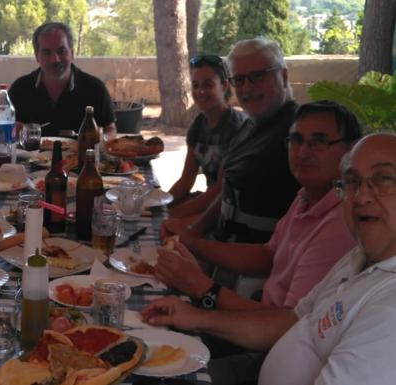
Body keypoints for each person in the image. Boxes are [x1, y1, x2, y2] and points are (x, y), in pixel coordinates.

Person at [142, 133, 396, 385]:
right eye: (352, 182)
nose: (362, 197)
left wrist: (203, 290)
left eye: (384, 179)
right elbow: (293, 319)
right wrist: (197, 316)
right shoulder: (358, 256)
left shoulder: (388, 312)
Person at [163, 37, 300, 246]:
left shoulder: (298, 133)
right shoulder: (250, 127)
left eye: (257, 76)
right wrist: (194, 229)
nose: (247, 87)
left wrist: (195, 239)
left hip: (250, 264)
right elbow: (226, 193)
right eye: (240, 79)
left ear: (284, 76)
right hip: (222, 246)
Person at [167, 55, 247, 222]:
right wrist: (160, 205)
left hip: (231, 209)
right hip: (210, 201)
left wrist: (173, 215)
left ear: (224, 85)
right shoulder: (198, 125)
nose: (200, 92)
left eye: (208, 85)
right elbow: (187, 179)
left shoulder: (236, 127)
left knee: (171, 224)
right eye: (195, 85)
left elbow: (220, 190)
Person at [8, 22, 116, 138]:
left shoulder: (95, 88)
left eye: (61, 51)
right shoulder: (20, 89)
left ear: (72, 53)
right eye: (47, 52)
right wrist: (12, 131)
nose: (55, 60)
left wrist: (102, 141)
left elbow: (109, 129)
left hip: (80, 155)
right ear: (37, 56)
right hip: (30, 156)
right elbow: (5, 131)